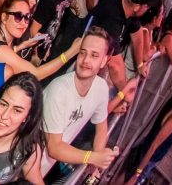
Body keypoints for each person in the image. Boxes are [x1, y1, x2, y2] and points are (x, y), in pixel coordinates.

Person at [40, 27, 118, 177]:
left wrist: (97, 159)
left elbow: (101, 130)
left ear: (104, 61)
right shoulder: (59, 90)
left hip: (43, 169)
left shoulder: (101, 88)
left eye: (94, 55)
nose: (86, 60)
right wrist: (92, 157)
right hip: (20, 169)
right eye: (83, 53)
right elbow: (54, 147)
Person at [0, 0, 81, 80]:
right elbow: (36, 74)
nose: (23, 23)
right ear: (4, 17)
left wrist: (21, 46)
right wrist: (70, 53)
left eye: (27, 17)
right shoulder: (0, 50)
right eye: (18, 16)